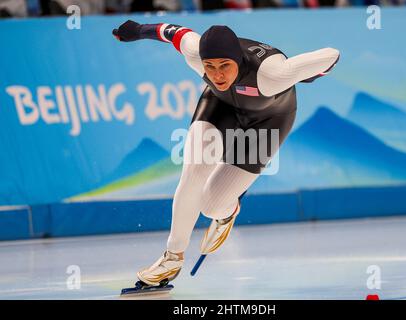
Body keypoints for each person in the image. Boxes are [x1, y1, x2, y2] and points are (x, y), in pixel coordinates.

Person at [113, 20, 339, 287]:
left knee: (211, 205)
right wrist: (138, 30)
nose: (217, 75)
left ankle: (228, 211)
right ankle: (172, 258)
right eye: (210, 67)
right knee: (193, 170)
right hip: (221, 104)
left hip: (269, 120)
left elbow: (332, 54)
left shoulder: (273, 74)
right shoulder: (195, 54)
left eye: (224, 66)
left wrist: (305, 73)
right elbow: (172, 32)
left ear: (238, 61)